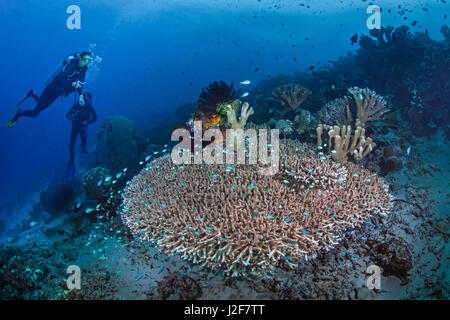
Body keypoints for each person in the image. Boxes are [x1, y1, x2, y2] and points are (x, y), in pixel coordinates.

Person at [5, 51, 93, 128]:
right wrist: (72, 84)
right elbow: (58, 78)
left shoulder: (83, 70)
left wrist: (80, 95)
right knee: (35, 113)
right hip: (52, 88)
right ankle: (18, 115)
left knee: (41, 107)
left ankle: (31, 94)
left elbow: (79, 85)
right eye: (85, 59)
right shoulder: (73, 66)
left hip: (58, 93)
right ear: (81, 58)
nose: (87, 62)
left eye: (89, 60)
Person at [66, 92, 97, 180]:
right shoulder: (76, 105)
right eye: (86, 99)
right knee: (71, 145)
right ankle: (72, 160)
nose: (87, 101)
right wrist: (73, 118)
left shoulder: (89, 108)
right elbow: (67, 115)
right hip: (75, 127)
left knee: (83, 143)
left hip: (83, 128)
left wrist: (87, 122)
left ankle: (83, 152)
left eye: (89, 100)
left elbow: (95, 118)